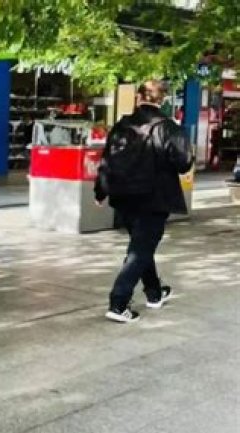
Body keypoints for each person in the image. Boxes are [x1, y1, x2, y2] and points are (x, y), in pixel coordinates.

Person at [94, 80, 194, 323]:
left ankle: (154, 292)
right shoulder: (168, 128)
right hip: (154, 198)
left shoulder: (121, 126)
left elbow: (107, 160)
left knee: (141, 246)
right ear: (163, 100)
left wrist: (101, 191)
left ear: (138, 98)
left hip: (124, 197)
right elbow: (184, 163)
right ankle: (118, 302)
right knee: (140, 250)